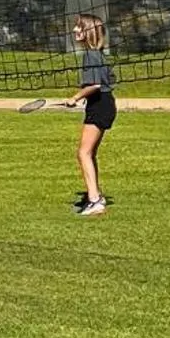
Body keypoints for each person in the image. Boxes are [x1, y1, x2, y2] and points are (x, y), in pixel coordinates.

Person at [70, 12, 116, 216]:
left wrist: (75, 97)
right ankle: (94, 195)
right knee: (89, 153)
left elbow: (95, 85)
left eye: (79, 27)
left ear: (88, 31)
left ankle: (96, 200)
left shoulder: (91, 55)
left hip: (99, 104)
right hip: (104, 104)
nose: (74, 30)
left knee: (83, 153)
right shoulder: (98, 54)